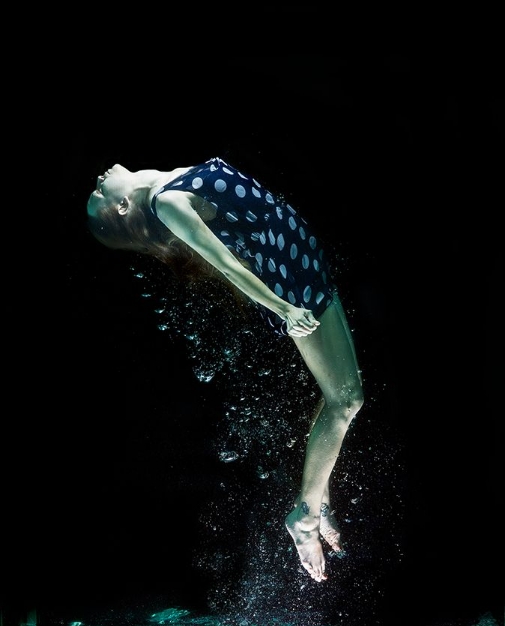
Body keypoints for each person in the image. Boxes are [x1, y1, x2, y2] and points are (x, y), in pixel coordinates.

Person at [87, 156, 364, 583]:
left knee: (340, 396)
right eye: (99, 196)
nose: (99, 181)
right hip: (290, 282)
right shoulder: (168, 203)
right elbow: (227, 265)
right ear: (122, 208)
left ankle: (318, 500)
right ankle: (305, 517)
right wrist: (283, 308)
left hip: (302, 258)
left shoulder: (171, 176)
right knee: (345, 401)